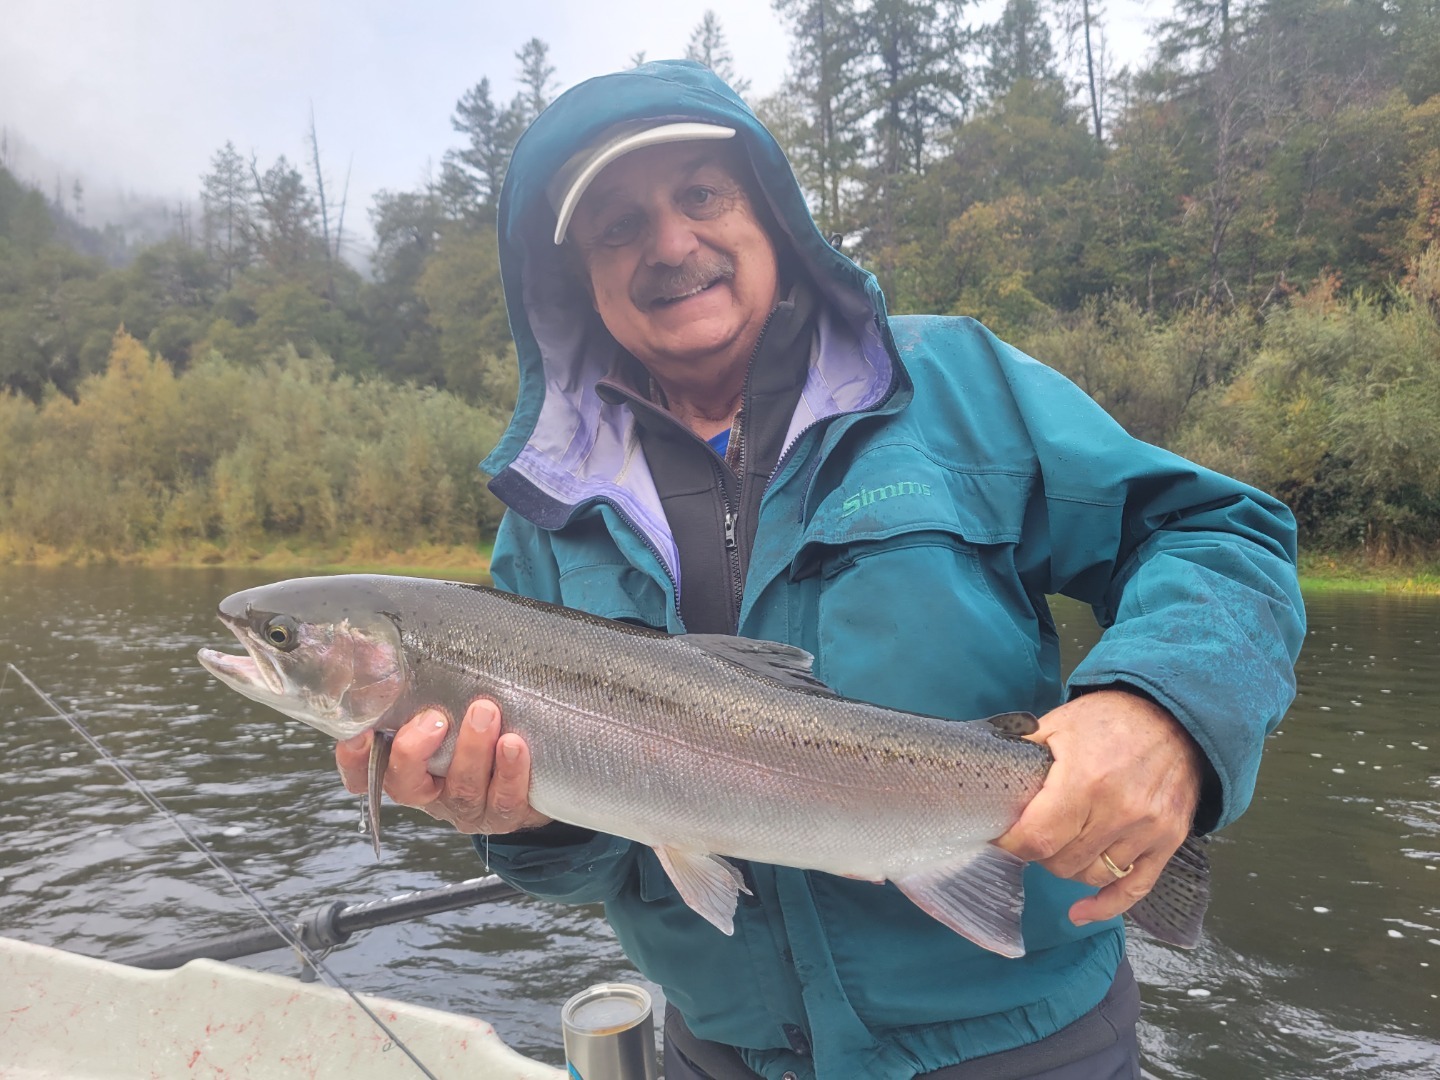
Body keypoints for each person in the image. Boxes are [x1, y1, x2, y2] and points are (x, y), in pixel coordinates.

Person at [337, 60, 1305, 1079]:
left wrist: (1163, 712)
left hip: (1027, 1047)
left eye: (701, 195)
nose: (671, 244)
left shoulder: (956, 385)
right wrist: (516, 824)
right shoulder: (544, 518)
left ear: (773, 215)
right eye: (619, 226)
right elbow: (590, 857)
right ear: (574, 276)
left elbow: (1220, 534)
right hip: (725, 1055)